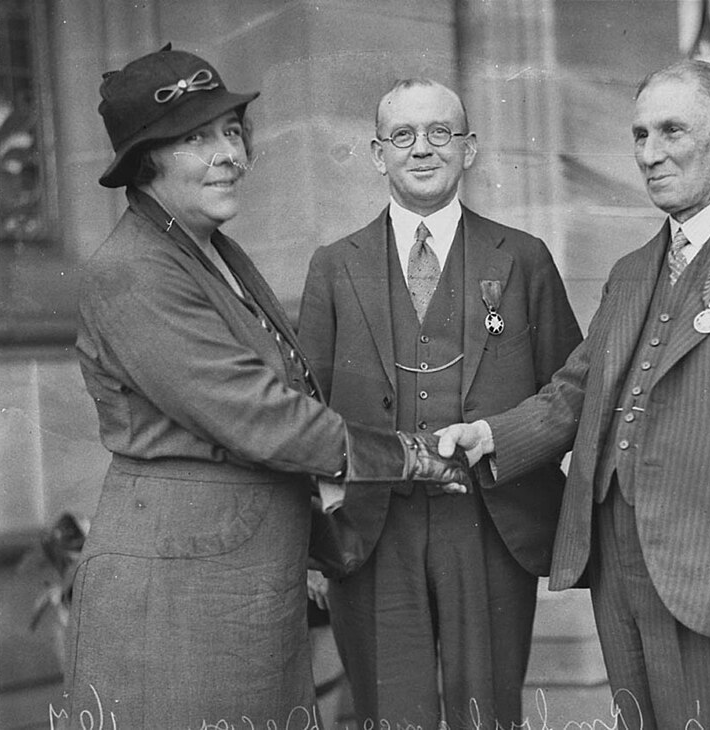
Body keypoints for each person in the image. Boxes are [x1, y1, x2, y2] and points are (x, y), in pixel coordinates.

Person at [438, 59, 710, 728]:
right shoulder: (632, 269)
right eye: (640, 136)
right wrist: (493, 436)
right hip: (615, 565)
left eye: (672, 131)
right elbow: (576, 393)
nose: (650, 154)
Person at [65, 46, 469, 729]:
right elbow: (261, 417)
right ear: (144, 163)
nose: (229, 154)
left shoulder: (208, 249)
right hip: (178, 600)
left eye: (230, 130)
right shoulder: (134, 271)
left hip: (239, 582)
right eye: (195, 138)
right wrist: (412, 456)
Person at [297, 78, 581, 729]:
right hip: (371, 529)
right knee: (389, 712)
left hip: (490, 523)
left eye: (440, 133)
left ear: (469, 148)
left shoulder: (524, 259)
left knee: (486, 711)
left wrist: (502, 438)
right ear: (377, 153)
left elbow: (571, 389)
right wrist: (315, 533)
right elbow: (300, 408)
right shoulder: (335, 267)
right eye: (403, 135)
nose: (422, 149)